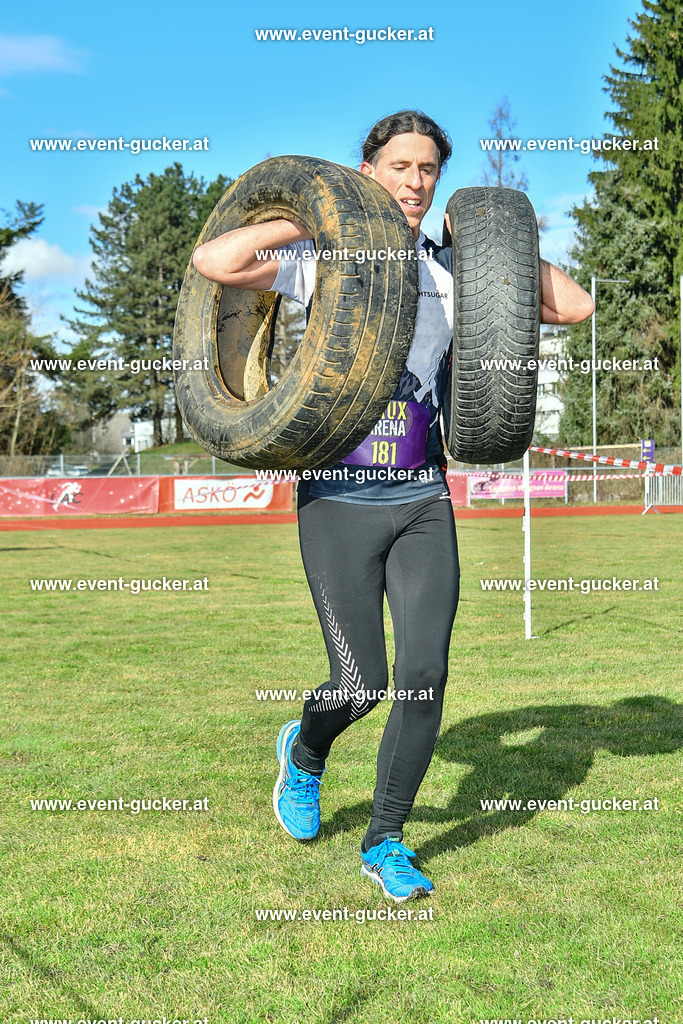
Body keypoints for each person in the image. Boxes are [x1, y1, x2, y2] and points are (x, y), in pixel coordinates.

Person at [193, 110, 594, 901]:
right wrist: (309, 209)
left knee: (422, 674)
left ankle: (386, 839)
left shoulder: (453, 273)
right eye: (400, 166)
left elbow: (572, 306)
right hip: (336, 495)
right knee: (361, 680)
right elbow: (215, 258)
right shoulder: (321, 261)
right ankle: (305, 753)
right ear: (368, 171)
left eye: (427, 170)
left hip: (419, 495)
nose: (415, 182)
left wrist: (495, 249)